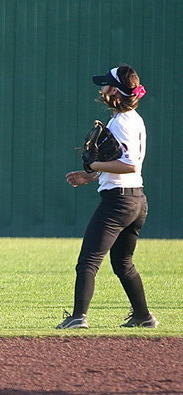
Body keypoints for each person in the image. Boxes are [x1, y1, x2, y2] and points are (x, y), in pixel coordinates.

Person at [57, 65, 157, 329]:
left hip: (119, 203)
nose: (101, 90)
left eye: (105, 85)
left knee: (88, 261)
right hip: (136, 200)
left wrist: (95, 165)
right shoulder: (134, 118)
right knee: (123, 263)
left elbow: (129, 164)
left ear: (114, 91)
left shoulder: (121, 122)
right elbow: (123, 167)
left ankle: (78, 317)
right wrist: (89, 175)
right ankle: (143, 316)